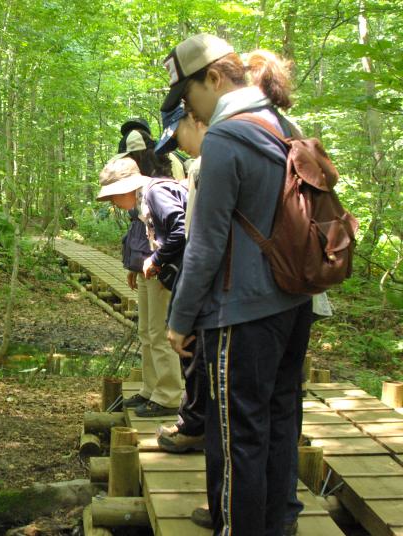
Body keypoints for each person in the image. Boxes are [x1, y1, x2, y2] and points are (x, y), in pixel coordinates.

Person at [161, 34, 313, 536]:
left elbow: (205, 245)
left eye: (188, 98)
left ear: (214, 78)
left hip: (241, 312)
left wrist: (180, 321)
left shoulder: (227, 137)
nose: (190, 110)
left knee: (236, 434)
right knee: (279, 420)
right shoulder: (282, 124)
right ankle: (278, 522)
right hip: (294, 302)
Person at [98, 130, 186, 418]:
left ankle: (169, 396)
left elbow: (181, 229)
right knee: (147, 331)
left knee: (160, 333)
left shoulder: (155, 192)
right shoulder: (142, 198)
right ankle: (151, 389)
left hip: (167, 271)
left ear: (127, 187)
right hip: (154, 270)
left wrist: (157, 259)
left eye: (113, 196)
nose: (112, 203)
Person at [153, 104, 207, 453]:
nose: (180, 149)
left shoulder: (207, 166)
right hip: (284, 294)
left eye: (178, 138)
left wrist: (182, 314)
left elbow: (198, 241)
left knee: (197, 362)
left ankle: (194, 427)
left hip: (223, 295)